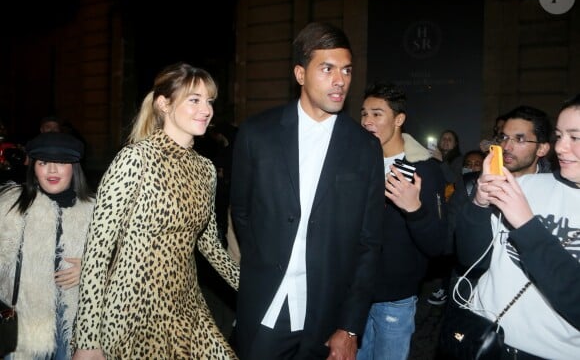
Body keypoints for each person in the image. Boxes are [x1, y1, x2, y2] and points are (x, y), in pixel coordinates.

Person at [230, 21, 384, 359]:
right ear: (300, 74)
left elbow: (369, 243)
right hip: (266, 305)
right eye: (327, 69)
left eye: (346, 70)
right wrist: (266, 259)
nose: (340, 80)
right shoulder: (257, 134)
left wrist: (350, 325)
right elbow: (241, 211)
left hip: (326, 318)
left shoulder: (364, 148)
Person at [72, 62, 240, 359]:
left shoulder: (204, 169)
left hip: (187, 307)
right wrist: (87, 341)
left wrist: (253, 287)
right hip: (132, 313)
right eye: (194, 100)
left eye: (209, 101)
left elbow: (209, 244)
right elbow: (97, 254)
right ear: (164, 104)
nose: (206, 109)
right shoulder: (135, 160)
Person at [452, 94, 580, 358]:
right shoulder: (524, 186)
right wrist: (479, 202)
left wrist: (526, 225)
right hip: (481, 337)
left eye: (575, 137)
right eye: (560, 135)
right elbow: (470, 258)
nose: (561, 148)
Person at [357, 81, 447, 360]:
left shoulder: (424, 170)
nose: (367, 121)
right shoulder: (357, 163)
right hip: (354, 296)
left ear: (399, 119)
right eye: (363, 114)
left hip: (395, 299)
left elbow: (438, 244)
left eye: (376, 113)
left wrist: (414, 209)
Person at [430, 105, 554, 306]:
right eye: (503, 137)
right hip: (475, 303)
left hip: (533, 307)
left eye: (519, 139)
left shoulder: (554, 193)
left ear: (542, 148)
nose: (507, 146)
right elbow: (448, 244)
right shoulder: (472, 185)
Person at [0, 132, 95, 359]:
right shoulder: (10, 206)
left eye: (61, 163)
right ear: (34, 167)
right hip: (24, 323)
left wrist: (92, 268)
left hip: (74, 326)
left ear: (74, 167)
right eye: (43, 163)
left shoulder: (96, 210)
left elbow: (126, 263)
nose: (52, 170)